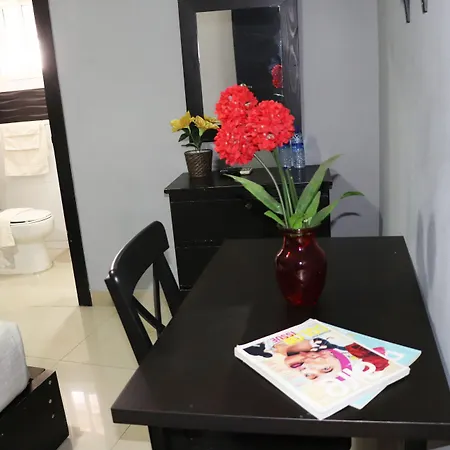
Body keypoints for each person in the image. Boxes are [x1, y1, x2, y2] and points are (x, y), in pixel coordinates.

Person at [273, 337, 389, 382]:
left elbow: (288, 360)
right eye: (326, 368)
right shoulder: (321, 345)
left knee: (286, 352)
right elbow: (291, 349)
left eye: (309, 375)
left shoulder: (300, 361)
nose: (309, 370)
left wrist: (302, 358)